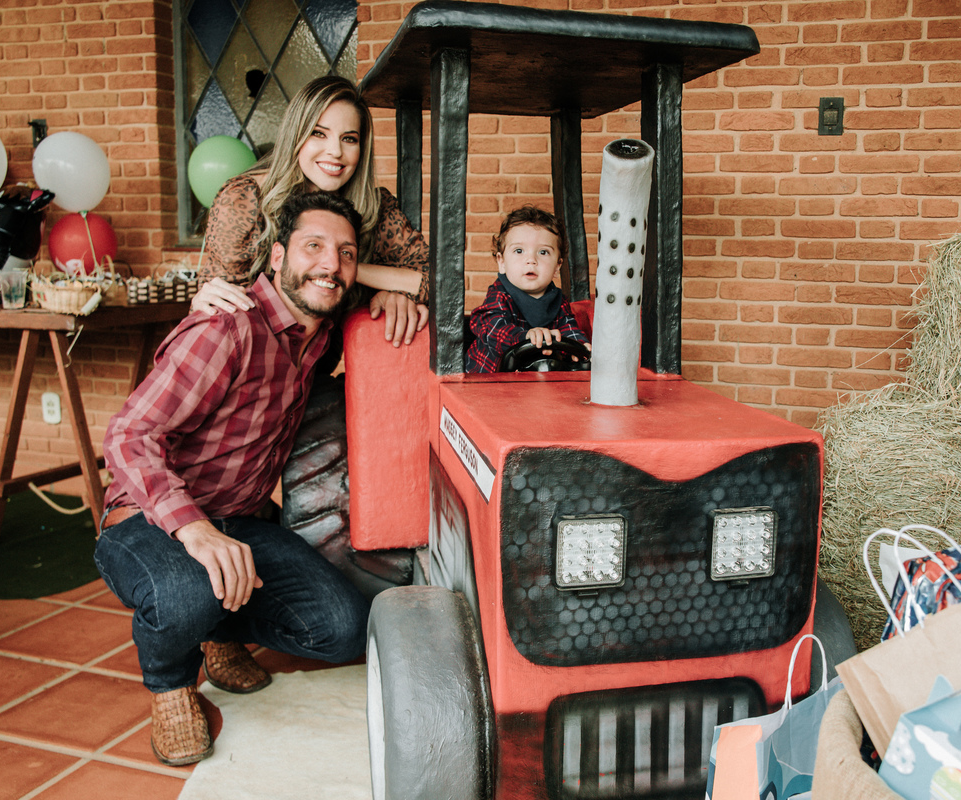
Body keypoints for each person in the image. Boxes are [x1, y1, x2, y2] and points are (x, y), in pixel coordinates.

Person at [95, 192, 370, 767]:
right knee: (186, 592)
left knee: (343, 628)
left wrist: (396, 294)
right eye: (313, 247)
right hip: (149, 520)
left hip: (240, 520)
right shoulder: (227, 328)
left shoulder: (318, 337)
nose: (331, 264)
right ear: (276, 256)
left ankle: (217, 628)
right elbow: (128, 435)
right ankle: (170, 685)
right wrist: (193, 529)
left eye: (345, 254)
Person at [191, 75, 428, 351]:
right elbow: (221, 304)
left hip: (317, 370)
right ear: (296, 135)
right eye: (319, 133)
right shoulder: (246, 197)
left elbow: (433, 280)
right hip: (252, 362)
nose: (335, 151)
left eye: (349, 139)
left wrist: (343, 269)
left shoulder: (375, 208)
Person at [465, 206, 590, 373]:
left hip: (535, 379)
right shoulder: (499, 294)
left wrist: (580, 345)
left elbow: (568, 329)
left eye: (543, 252)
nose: (531, 260)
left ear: (558, 266)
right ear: (501, 261)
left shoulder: (558, 300)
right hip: (489, 381)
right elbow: (493, 329)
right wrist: (526, 337)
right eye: (519, 251)